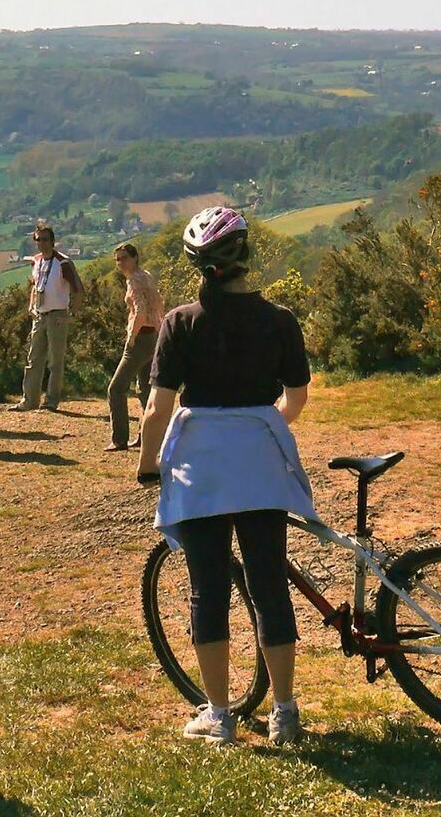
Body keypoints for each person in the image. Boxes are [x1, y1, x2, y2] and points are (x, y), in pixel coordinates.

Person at [137, 207, 315, 747]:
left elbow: (157, 407)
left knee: (207, 591)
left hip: (201, 472)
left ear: (196, 265)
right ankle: (285, 711)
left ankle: (219, 713)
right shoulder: (280, 320)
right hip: (260, 469)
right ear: (245, 258)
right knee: (268, 586)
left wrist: (147, 464)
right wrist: (262, 427)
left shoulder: (180, 323)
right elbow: (297, 397)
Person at [14, 224, 82, 413]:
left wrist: (71, 315)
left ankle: (51, 401)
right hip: (39, 315)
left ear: (52, 241)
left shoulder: (63, 262)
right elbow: (35, 286)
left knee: (55, 361)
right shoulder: (36, 261)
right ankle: (29, 400)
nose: (42, 243)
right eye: (38, 239)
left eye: (45, 239)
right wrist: (31, 307)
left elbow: (78, 290)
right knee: (33, 359)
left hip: (57, 315)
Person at [105, 243, 164, 453]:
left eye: (124, 258)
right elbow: (158, 301)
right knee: (145, 389)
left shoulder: (134, 281)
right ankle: (146, 436)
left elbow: (139, 310)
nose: (121, 263)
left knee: (116, 388)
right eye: (118, 259)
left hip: (140, 339)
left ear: (135, 258)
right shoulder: (146, 275)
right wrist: (159, 326)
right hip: (152, 336)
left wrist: (131, 336)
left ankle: (119, 439)